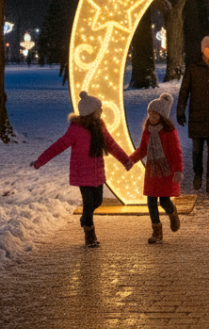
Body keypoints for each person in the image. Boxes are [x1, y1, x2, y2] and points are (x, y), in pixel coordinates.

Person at [32, 91, 133, 248]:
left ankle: (85, 218)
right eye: (99, 109)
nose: (101, 111)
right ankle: (90, 235)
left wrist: (125, 160)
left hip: (97, 172)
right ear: (91, 111)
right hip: (82, 173)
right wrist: (40, 161)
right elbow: (59, 146)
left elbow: (111, 145)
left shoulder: (100, 126)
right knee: (88, 202)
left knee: (98, 201)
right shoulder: (76, 129)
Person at [127, 92, 183, 244]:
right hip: (152, 170)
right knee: (151, 201)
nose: (151, 117)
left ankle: (173, 214)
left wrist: (178, 171)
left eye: (155, 114)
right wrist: (131, 160)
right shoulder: (147, 130)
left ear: (162, 116)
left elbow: (176, 152)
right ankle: (156, 231)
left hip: (166, 171)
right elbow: (143, 149)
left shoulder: (169, 132)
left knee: (164, 201)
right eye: (150, 114)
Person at [177, 36, 209, 193]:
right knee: (196, 150)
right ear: (203, 49)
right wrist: (180, 110)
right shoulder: (193, 68)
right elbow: (184, 91)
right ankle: (198, 173)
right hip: (197, 116)